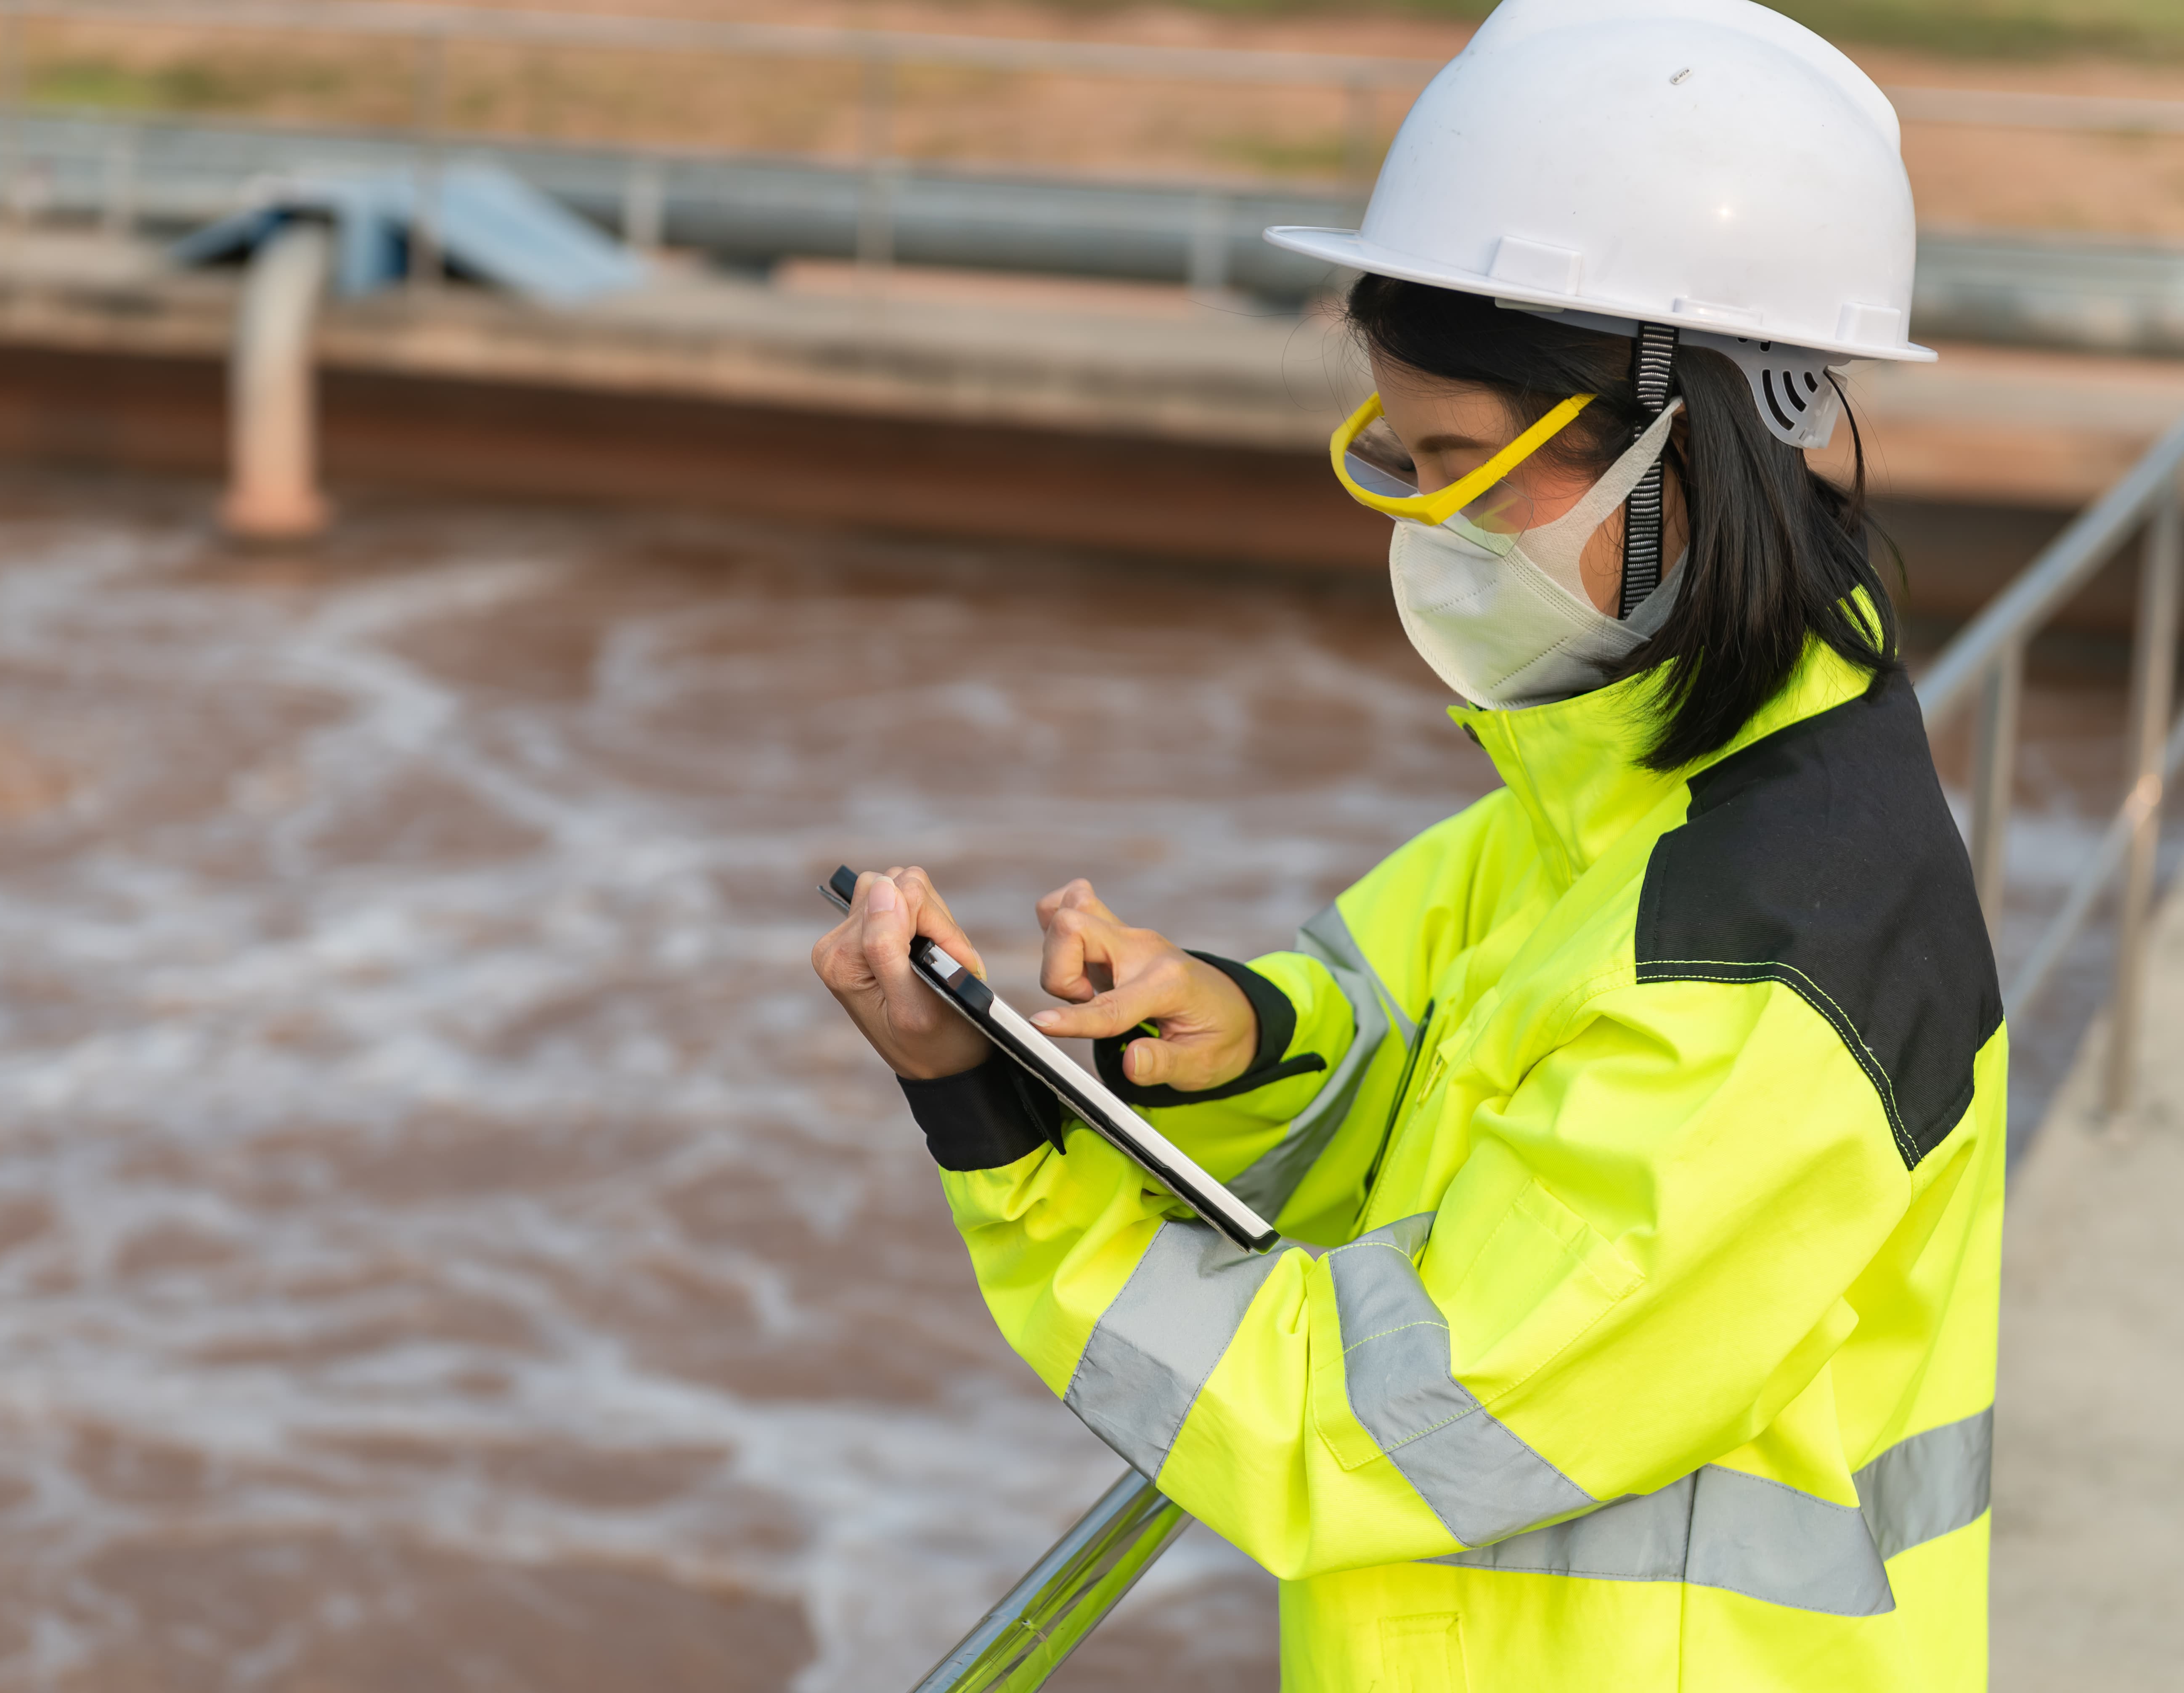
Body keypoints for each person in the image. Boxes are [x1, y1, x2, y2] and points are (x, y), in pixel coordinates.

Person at [811, 1, 2001, 1688]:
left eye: (1463, 464)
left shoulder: (1764, 967)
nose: (1425, 523)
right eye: (1402, 457)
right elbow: (1415, 1023)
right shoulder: (1633, 793)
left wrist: (996, 1134)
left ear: (1693, 452)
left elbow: (1347, 1428)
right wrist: (1233, 1024)